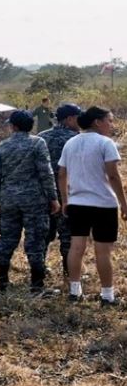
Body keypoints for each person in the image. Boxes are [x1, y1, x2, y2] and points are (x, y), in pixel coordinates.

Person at [58, 106, 127, 305]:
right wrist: (124, 203)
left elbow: (62, 173)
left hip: (78, 203)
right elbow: (113, 175)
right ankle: (107, 295)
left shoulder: (70, 143)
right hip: (103, 204)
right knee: (103, 251)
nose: (111, 125)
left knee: (76, 247)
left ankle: (74, 291)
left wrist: (65, 200)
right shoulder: (106, 143)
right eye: (109, 120)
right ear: (98, 122)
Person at [0, 110, 60, 294]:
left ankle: (2, 283)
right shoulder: (38, 143)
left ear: (14, 126)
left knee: (6, 239)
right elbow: (46, 173)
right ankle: (37, 286)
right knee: (35, 240)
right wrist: (53, 198)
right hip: (34, 200)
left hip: (9, 200)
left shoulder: (2, 148)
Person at [39, 103, 82, 274]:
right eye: (78, 118)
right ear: (70, 118)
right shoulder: (75, 139)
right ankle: (69, 272)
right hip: (67, 194)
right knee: (68, 235)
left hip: (44, 194)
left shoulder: (41, 137)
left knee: (44, 233)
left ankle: (40, 268)